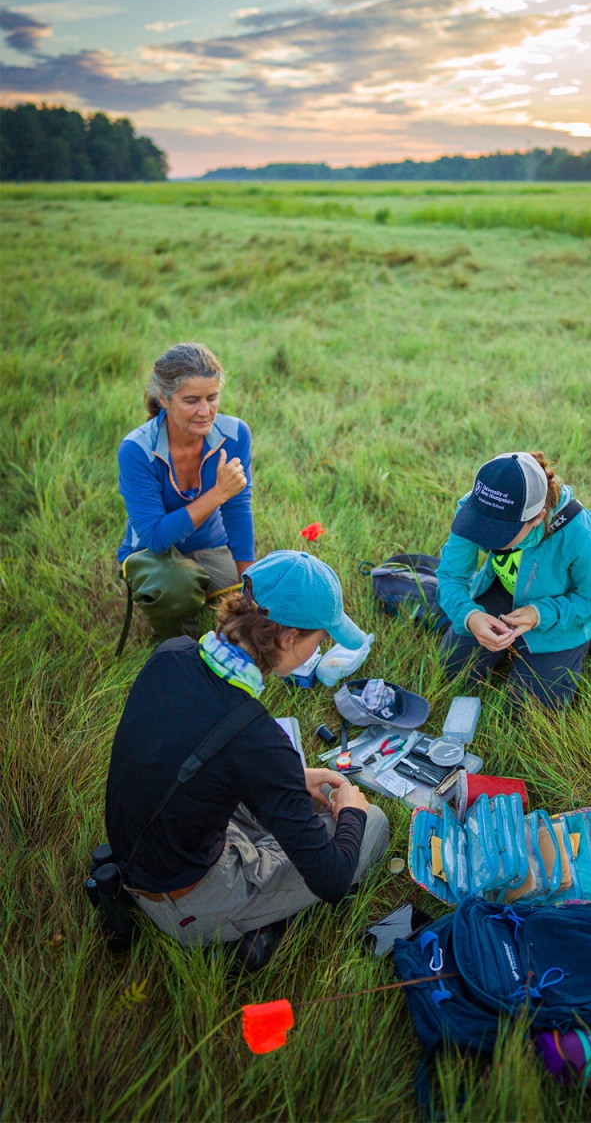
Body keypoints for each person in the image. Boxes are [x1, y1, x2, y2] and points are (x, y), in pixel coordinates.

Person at [105, 550, 389, 967]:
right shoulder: (256, 739)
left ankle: (259, 909)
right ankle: (246, 927)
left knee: (296, 807)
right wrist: (351, 813)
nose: (319, 649)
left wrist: (292, 775)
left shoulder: (173, 653)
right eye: (320, 639)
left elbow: (191, 752)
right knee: (373, 826)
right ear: (289, 638)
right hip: (183, 900)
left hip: (147, 851)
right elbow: (331, 879)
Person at [436, 451, 591, 711]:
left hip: (560, 609)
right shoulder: (474, 509)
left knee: (526, 710)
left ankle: (581, 644)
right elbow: (451, 575)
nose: (484, 536)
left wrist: (538, 613)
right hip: (502, 590)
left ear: (538, 517)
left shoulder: (583, 536)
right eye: (480, 525)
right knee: (452, 668)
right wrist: (470, 616)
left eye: (498, 532)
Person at [116, 342, 254, 642]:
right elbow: (154, 537)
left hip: (210, 544)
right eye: (191, 400)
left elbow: (238, 508)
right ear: (164, 398)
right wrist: (217, 494)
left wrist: (249, 584)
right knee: (175, 588)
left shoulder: (235, 434)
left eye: (212, 397)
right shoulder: (136, 450)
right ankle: (169, 640)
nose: (205, 411)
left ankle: (196, 594)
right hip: (151, 551)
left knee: (256, 589)